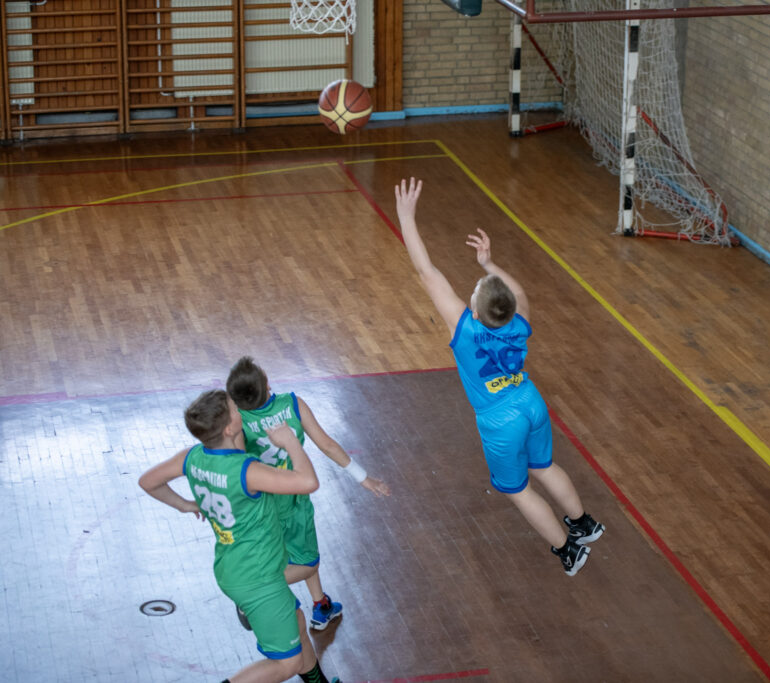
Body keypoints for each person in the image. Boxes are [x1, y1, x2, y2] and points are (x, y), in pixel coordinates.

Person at [393, 176, 604, 576]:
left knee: (519, 489)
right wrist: (489, 264)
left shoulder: (464, 328)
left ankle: (567, 550)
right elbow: (520, 293)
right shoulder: (520, 320)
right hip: (529, 400)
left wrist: (406, 217)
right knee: (544, 465)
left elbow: (426, 270)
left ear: (474, 309)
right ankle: (584, 523)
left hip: (499, 418)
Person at [138, 389, 339, 683]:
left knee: (296, 620)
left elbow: (148, 481)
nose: (240, 408)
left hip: (233, 566)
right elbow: (308, 481)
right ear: (230, 428)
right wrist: (290, 442)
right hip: (259, 577)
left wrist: (186, 505)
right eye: (235, 408)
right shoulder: (246, 471)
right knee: (287, 664)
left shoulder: (192, 457)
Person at [227, 356, 391, 630]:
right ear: (267, 384)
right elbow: (327, 445)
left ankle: (321, 604)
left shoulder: (238, 420)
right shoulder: (293, 404)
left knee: (297, 553)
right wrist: (363, 477)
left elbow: (237, 461)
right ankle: (253, 593)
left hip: (260, 504)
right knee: (309, 562)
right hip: (293, 501)